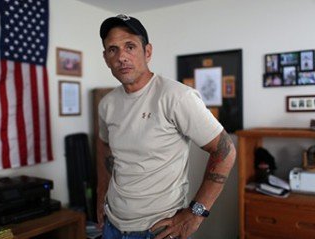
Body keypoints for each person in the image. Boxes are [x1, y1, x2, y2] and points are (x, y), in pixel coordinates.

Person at [96, 14, 236, 239]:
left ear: (147, 52)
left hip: (159, 229)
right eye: (113, 49)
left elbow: (225, 151)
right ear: (105, 57)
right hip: (112, 224)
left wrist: (196, 213)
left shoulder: (177, 97)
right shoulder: (107, 104)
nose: (121, 56)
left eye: (130, 46)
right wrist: (101, 192)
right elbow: (103, 144)